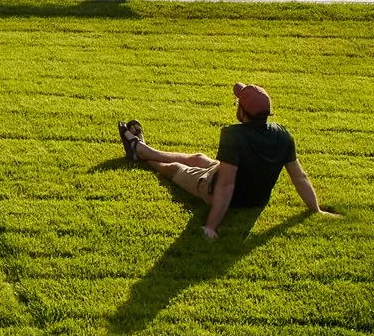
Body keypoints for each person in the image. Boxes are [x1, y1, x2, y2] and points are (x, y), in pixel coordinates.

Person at [117, 83, 332, 239]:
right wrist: (316, 209)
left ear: (243, 113)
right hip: (255, 197)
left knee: (174, 169)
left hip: (229, 195)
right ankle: (145, 149)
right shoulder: (282, 134)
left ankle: (140, 154)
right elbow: (299, 177)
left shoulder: (234, 136)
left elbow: (226, 185)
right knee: (198, 158)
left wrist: (211, 227)